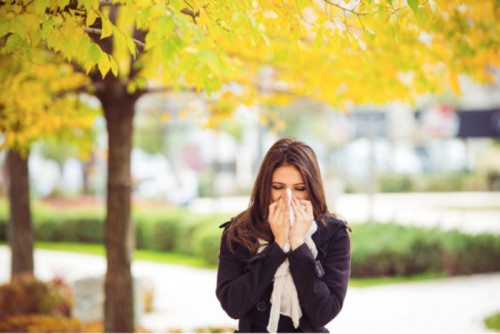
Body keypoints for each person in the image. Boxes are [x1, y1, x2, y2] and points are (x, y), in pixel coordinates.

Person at [216, 137, 351, 333]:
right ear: (265, 187)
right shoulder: (239, 232)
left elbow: (325, 312)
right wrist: (277, 246)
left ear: (311, 189)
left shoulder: (332, 234)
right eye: (278, 187)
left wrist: (297, 244)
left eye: (299, 188)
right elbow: (232, 305)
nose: (288, 197)